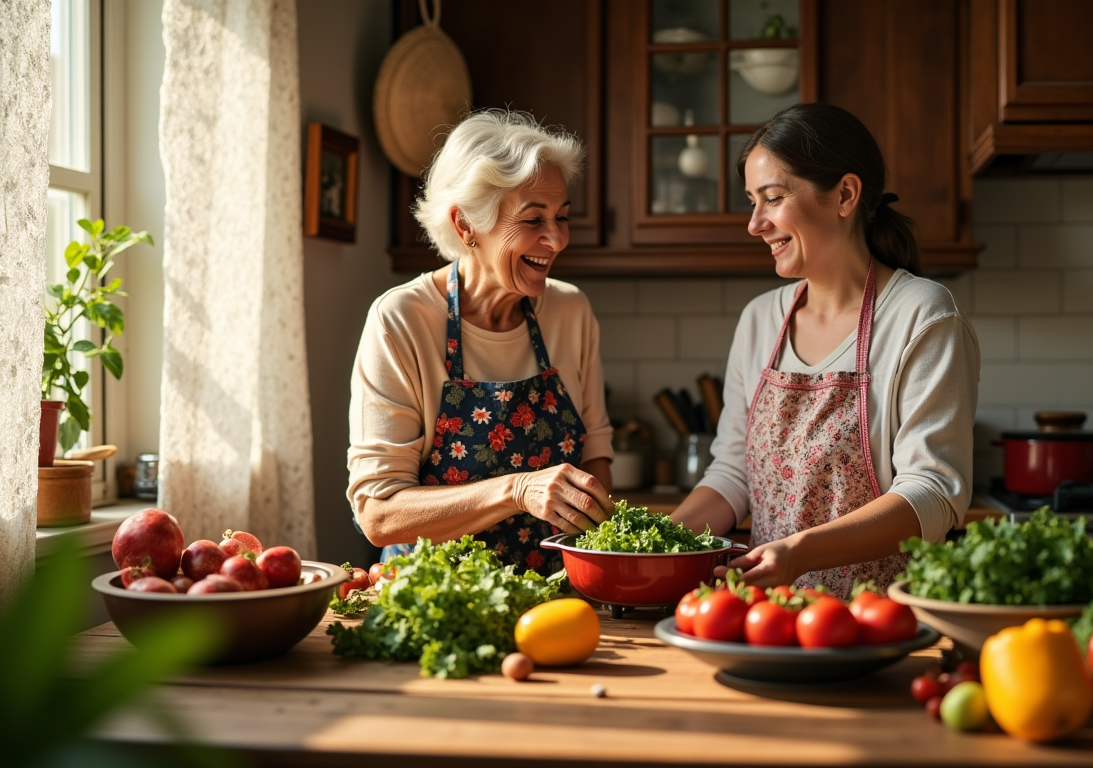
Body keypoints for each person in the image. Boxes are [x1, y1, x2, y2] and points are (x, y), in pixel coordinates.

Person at [671, 103, 979, 594]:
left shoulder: (921, 314)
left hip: (877, 622)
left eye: (772, 198)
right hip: (770, 617)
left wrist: (801, 552)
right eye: (752, 201)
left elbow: (933, 492)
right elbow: (733, 473)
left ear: (845, 195)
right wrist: (656, 543)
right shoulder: (759, 320)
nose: (755, 223)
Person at [347, 110, 614, 573]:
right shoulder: (401, 321)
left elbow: (595, 461)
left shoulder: (572, 312)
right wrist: (516, 491)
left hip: (559, 599)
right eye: (533, 220)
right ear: (466, 224)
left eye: (563, 217)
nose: (556, 239)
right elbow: (378, 514)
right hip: (439, 601)